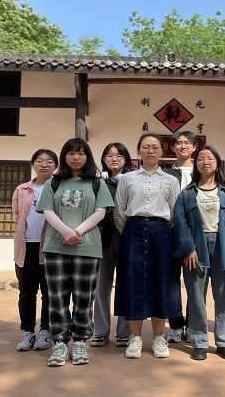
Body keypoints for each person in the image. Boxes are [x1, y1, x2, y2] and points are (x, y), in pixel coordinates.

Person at [35, 138, 114, 366]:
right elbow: (47, 210)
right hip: (56, 247)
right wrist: (66, 231)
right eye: (71, 153)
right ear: (64, 156)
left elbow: (100, 212)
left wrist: (76, 232)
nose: (76, 157)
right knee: (57, 298)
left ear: (87, 156)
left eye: (81, 153)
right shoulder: (54, 183)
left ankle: (80, 341)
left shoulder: (97, 183)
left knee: (84, 298)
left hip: (87, 247)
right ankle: (60, 342)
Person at [114, 133, 181, 359]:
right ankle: (135, 337)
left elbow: (174, 213)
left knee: (161, 281)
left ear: (162, 151)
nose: (150, 151)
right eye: (145, 147)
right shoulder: (127, 179)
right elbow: (119, 212)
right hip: (132, 231)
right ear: (138, 151)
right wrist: (132, 230)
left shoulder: (171, 180)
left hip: (162, 232)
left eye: (155, 147)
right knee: (133, 281)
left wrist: (159, 229)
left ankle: (159, 337)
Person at [173, 145, 225, 360]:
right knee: (196, 298)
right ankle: (199, 342)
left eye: (210, 158)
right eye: (201, 159)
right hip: (196, 248)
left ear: (217, 163)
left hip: (224, 246)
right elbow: (180, 224)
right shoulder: (186, 194)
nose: (205, 162)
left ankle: (224, 342)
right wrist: (189, 249)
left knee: (224, 298)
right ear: (196, 164)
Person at [12, 149, 58, 352]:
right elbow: (17, 217)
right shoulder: (22, 189)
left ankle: (46, 331)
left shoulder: (59, 187)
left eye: (49, 161)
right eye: (40, 160)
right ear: (33, 164)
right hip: (25, 246)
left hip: (50, 247)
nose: (44, 164)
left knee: (50, 293)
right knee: (26, 292)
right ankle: (27, 332)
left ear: (56, 166)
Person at [90, 142, 132, 348]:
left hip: (127, 237)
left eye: (119, 155)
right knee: (101, 286)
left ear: (126, 159)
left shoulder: (133, 181)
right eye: (109, 155)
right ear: (104, 159)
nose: (114, 159)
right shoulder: (96, 182)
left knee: (126, 284)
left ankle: (124, 331)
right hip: (102, 237)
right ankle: (101, 330)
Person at [162, 130, 197, 342]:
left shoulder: (201, 172)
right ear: (173, 147)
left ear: (194, 147)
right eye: (179, 143)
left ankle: (193, 325)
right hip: (171, 232)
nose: (183, 146)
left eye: (187, 143)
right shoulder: (166, 173)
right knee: (171, 281)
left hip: (196, 234)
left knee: (195, 282)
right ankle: (175, 325)